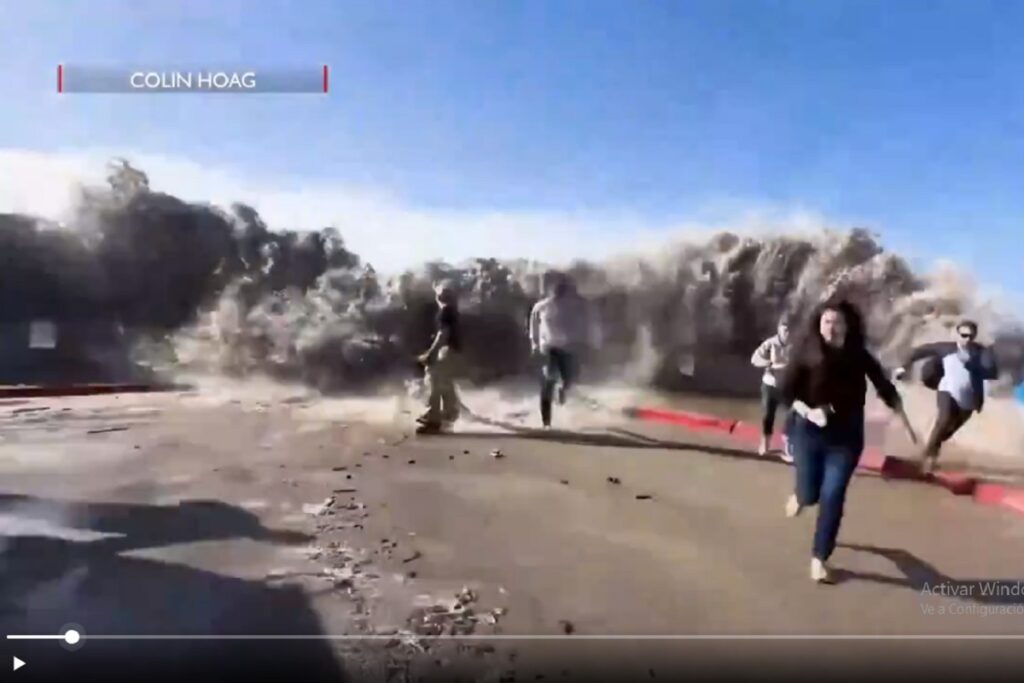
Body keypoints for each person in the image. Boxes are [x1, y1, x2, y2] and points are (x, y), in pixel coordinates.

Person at [779, 299, 904, 584]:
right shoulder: (806, 352)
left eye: (838, 322)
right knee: (810, 494)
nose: (832, 328)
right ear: (819, 324)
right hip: (809, 432)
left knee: (833, 494)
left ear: (848, 326)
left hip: (846, 437)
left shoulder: (858, 354)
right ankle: (801, 496)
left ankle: (819, 558)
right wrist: (808, 411)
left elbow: (880, 381)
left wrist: (893, 400)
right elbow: (786, 392)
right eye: (827, 322)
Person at [895, 320, 1000, 473]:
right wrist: (903, 367)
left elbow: (992, 373)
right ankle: (926, 458)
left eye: (970, 336)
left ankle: (932, 450)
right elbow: (920, 351)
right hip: (947, 391)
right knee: (944, 420)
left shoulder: (981, 352)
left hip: (969, 400)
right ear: (956, 334)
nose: (967, 339)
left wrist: (972, 365)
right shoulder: (946, 348)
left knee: (948, 432)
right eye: (963, 335)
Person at [528, 273, 593, 428]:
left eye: (562, 289)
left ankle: (562, 389)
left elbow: (582, 324)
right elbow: (533, 326)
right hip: (548, 347)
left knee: (568, 379)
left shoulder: (573, 306)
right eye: (556, 288)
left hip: (567, 347)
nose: (558, 291)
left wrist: (585, 341)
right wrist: (534, 344)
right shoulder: (541, 306)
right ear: (551, 290)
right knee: (548, 381)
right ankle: (546, 422)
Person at [415, 281, 462, 434]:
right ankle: (449, 413)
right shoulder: (454, 312)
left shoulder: (445, 312)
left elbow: (443, 334)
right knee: (445, 382)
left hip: (446, 350)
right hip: (455, 352)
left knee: (432, 378)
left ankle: (433, 417)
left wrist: (431, 353)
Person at [751, 316, 795, 462]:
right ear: (779, 329)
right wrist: (769, 362)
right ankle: (765, 444)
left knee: (791, 416)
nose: (787, 333)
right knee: (767, 415)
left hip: (787, 387)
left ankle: (789, 448)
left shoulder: (795, 345)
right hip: (770, 385)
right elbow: (754, 359)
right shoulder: (770, 343)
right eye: (785, 330)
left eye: (789, 330)